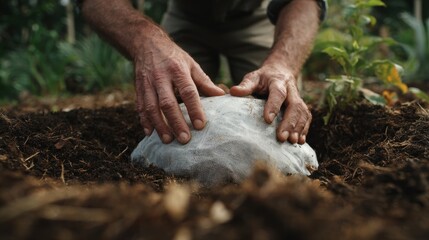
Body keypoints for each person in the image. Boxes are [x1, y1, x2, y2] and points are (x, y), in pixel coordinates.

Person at [78, 0, 326, 145]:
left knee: (275, 108)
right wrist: (145, 40)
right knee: (174, 109)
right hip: (187, 13)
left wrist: (283, 65)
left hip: (256, 15)